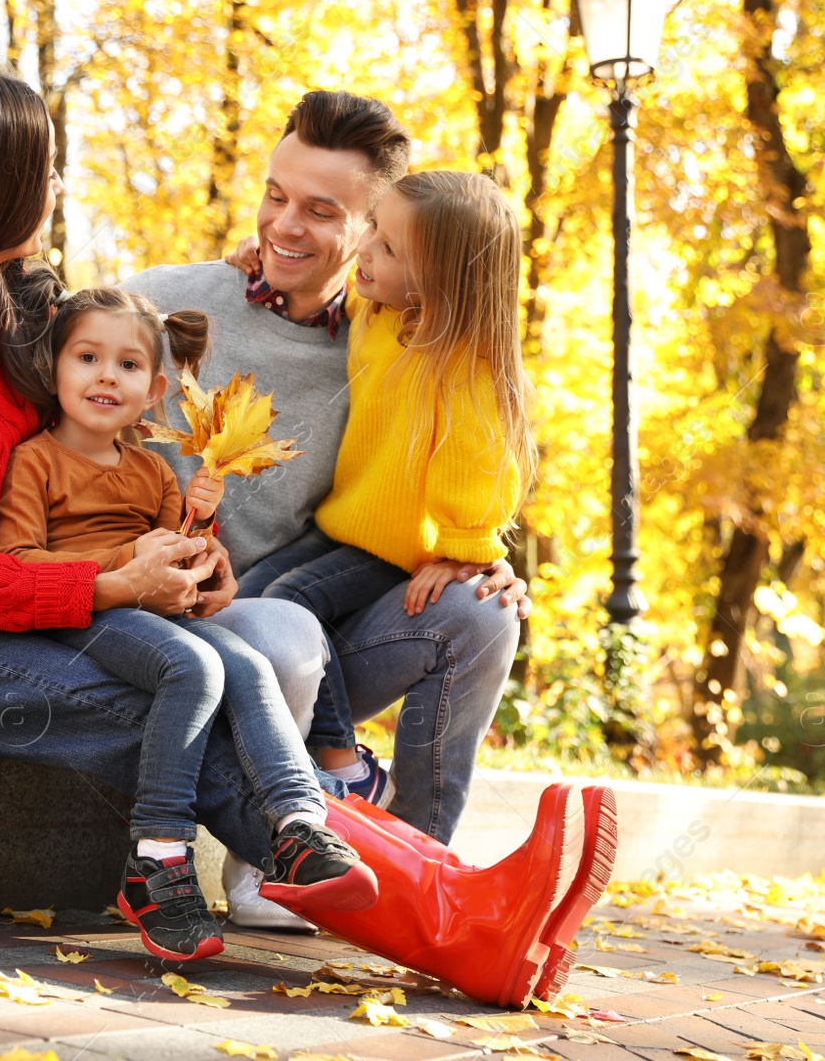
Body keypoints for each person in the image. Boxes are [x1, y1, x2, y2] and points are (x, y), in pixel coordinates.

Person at [0, 66, 372, 963]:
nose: (58, 188)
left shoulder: (12, 307)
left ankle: (424, 891)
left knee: (218, 677)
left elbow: (116, 403)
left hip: (15, 612)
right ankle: (422, 907)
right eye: (46, 170)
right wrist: (106, 586)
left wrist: (180, 556)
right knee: (180, 717)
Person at [120, 91, 536, 928]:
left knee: (485, 618)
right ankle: (276, 855)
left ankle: (417, 879)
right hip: (190, 614)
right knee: (286, 625)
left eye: (322, 210)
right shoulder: (170, 300)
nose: (285, 226)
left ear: (373, 230)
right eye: (276, 196)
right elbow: (38, 355)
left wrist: (480, 551)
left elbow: (468, 438)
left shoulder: (384, 326)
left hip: (313, 609)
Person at [0, 284, 374, 960]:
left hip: (151, 614)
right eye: (87, 357)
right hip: (84, 613)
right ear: (55, 369)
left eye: (129, 365)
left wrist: (207, 563)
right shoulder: (35, 461)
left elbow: (180, 569)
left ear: (155, 387)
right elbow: (18, 562)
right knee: (193, 667)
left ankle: (298, 822)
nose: (107, 375)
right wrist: (126, 561)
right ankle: (158, 856)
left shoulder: (154, 474)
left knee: (247, 664)